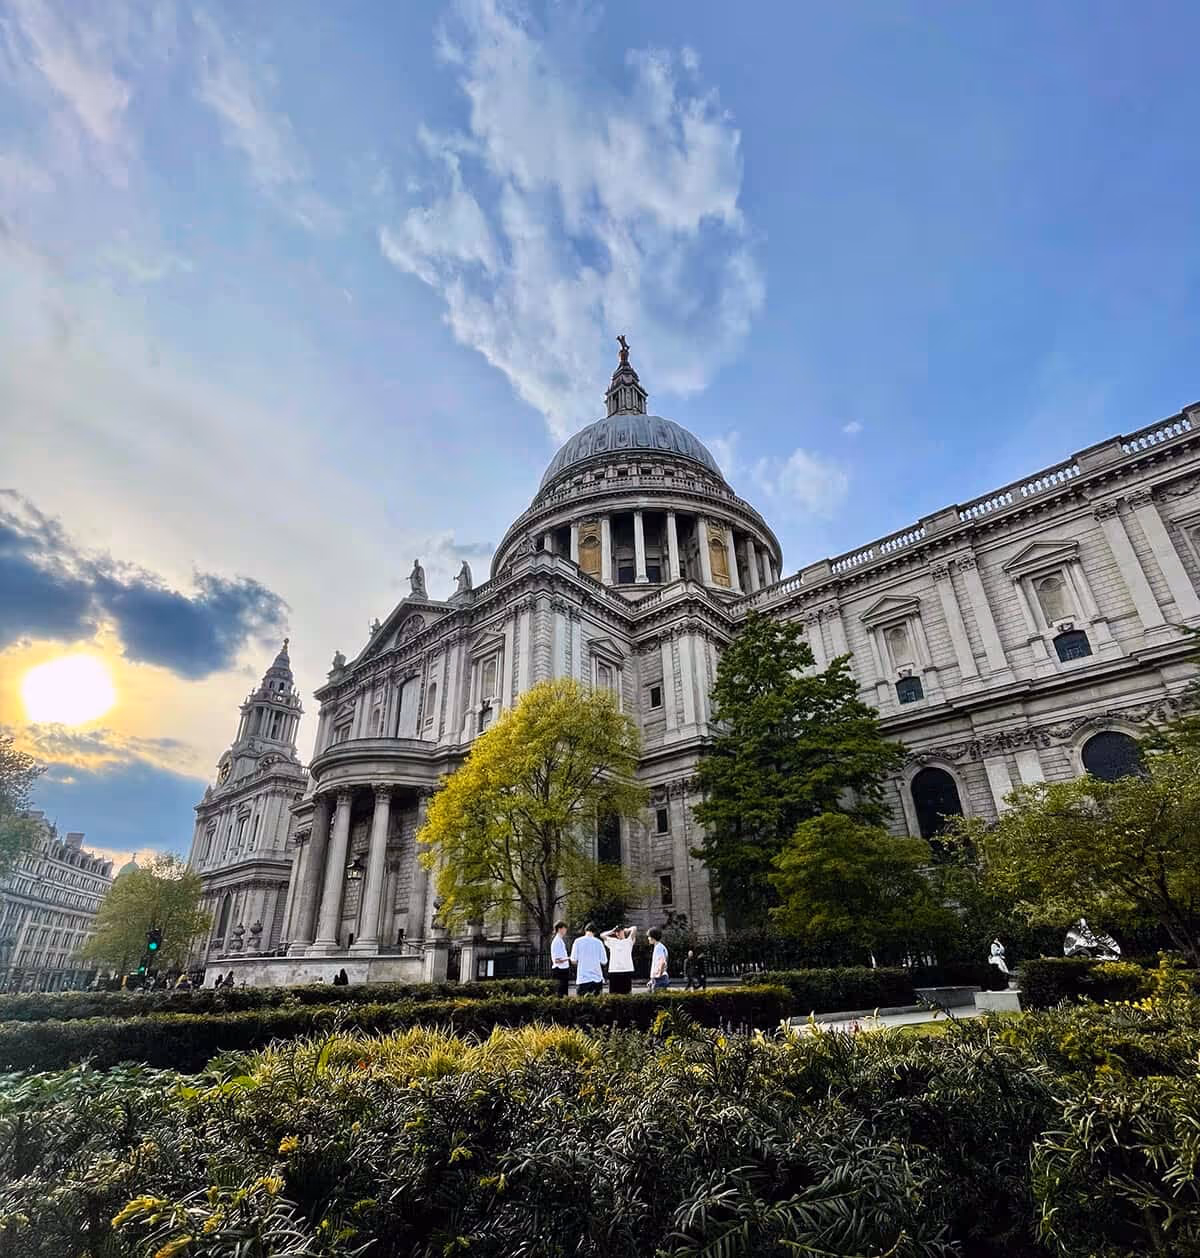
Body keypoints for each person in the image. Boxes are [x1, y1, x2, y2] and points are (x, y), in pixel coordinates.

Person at [570, 922, 608, 996]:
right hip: (597, 979)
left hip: (582, 979)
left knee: (582, 1005)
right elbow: (604, 961)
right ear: (595, 932)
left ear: (585, 930)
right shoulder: (599, 943)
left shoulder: (577, 941)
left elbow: (573, 960)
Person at [600, 924, 637, 995]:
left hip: (627, 970)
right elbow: (602, 935)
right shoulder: (612, 941)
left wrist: (626, 930)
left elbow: (634, 928)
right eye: (617, 932)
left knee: (627, 994)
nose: (618, 933)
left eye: (619, 931)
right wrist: (612, 931)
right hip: (614, 971)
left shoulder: (628, 941)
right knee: (614, 994)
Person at [550, 920, 571, 997]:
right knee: (560, 994)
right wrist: (569, 958)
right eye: (564, 928)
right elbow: (556, 960)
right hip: (559, 971)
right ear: (559, 929)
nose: (566, 930)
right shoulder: (556, 941)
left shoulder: (560, 940)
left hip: (563, 970)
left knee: (564, 994)